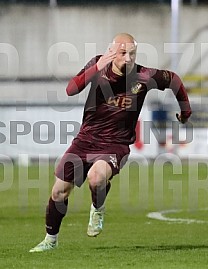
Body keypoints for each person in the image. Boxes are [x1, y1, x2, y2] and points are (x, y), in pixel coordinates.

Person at [29, 33, 192, 252]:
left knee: (96, 178)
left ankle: (98, 207)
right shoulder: (97, 65)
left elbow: (174, 80)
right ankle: (50, 240)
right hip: (84, 141)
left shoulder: (143, 76)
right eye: (122, 53)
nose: (127, 59)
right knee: (59, 192)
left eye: (132, 54)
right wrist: (97, 68)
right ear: (111, 51)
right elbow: (70, 90)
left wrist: (186, 111)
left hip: (116, 144)